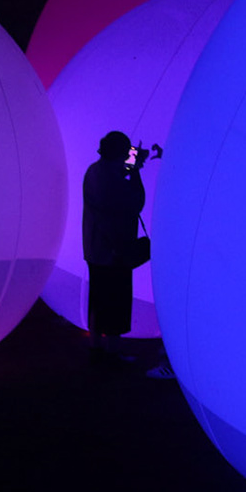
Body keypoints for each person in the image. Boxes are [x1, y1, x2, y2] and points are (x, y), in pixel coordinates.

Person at [82, 130, 147, 368]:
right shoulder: (110, 178)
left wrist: (130, 167)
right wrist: (136, 170)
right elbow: (135, 201)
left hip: (95, 250)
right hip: (114, 251)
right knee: (115, 303)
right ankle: (112, 353)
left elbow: (115, 182)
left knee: (98, 302)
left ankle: (96, 348)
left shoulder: (94, 171)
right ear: (120, 152)